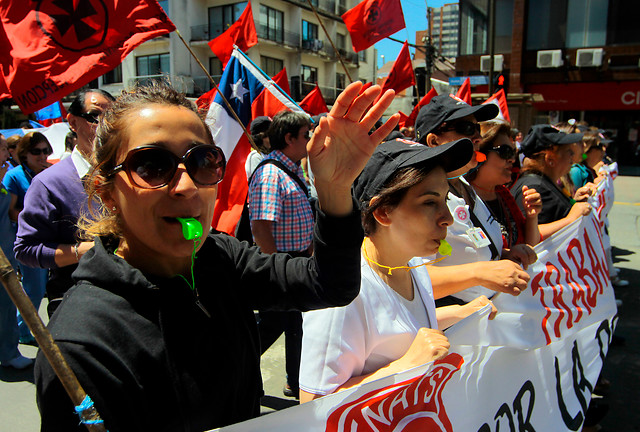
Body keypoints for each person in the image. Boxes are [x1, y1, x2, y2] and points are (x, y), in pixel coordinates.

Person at [34, 80, 399, 431]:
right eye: (152, 166)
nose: (187, 186)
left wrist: (334, 190)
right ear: (107, 191)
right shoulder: (82, 345)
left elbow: (330, 284)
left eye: (203, 162)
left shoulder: (219, 257)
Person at [299, 138, 497, 402]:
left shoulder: (413, 261)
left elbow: (397, 329)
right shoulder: (344, 295)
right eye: (430, 202)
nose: (447, 217)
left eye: (445, 199)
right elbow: (312, 405)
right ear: (383, 213)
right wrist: (403, 367)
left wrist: (462, 313)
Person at [414, 95, 535, 305]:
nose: (478, 137)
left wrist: (504, 255)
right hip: (449, 327)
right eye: (466, 129)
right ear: (434, 141)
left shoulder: (463, 182)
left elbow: (467, 249)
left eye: (477, 129)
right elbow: (413, 277)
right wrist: (481, 272)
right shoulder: (417, 195)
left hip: (485, 319)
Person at [14, 89, 115, 317]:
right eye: (95, 116)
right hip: (77, 305)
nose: (106, 125)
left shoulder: (131, 175)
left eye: (113, 116)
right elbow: (26, 249)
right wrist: (90, 250)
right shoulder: (48, 183)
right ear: (73, 122)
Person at [247, 110, 314, 398]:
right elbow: (261, 227)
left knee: (295, 325)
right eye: (305, 136)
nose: (310, 142)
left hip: (297, 261)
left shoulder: (293, 168)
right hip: (282, 264)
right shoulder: (270, 173)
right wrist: (276, 269)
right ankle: (239, 369)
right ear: (288, 138)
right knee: (274, 324)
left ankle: (294, 380)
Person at [2, 132, 51, 342]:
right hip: (25, 240)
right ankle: (19, 331)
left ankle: (20, 330)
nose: (42, 156)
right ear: (24, 153)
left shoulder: (50, 172)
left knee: (39, 289)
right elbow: (11, 211)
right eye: (36, 151)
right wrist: (35, 214)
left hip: (48, 238)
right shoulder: (14, 176)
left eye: (45, 151)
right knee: (34, 289)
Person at [466, 120, 542, 247]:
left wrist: (532, 217)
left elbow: (530, 244)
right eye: (505, 152)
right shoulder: (461, 197)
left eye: (513, 153)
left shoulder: (503, 194)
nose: (512, 159)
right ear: (480, 153)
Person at [511, 125, 593, 239]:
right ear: (550, 159)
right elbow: (528, 235)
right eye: (569, 151)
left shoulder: (543, 182)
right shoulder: (535, 187)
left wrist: (576, 202)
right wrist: (571, 219)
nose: (572, 156)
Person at [0, 136, 32, 369]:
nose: (6, 153)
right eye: (2, 148)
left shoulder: (4, 175)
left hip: (6, 253)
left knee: (6, 304)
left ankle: (9, 351)